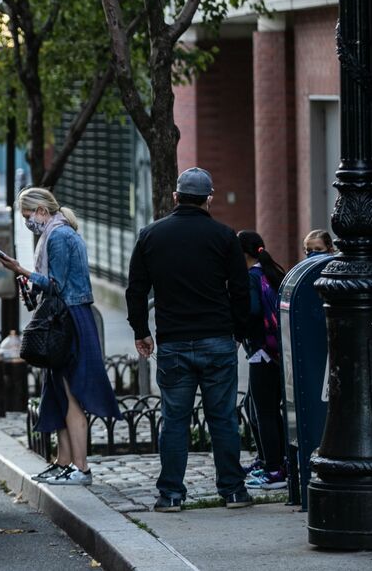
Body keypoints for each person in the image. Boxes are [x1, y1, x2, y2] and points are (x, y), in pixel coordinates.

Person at [125, 167, 252, 512]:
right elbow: (240, 290)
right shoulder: (225, 237)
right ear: (209, 199)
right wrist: (239, 330)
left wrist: (141, 331)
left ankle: (171, 495)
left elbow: (136, 289)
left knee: (175, 419)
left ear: (176, 197)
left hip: (173, 343)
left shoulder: (151, 236)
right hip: (217, 339)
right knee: (223, 417)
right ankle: (234, 490)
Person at [0, 187, 122, 486]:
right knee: (59, 395)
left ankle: (81, 468)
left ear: (42, 210)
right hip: (66, 318)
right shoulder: (55, 235)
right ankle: (64, 463)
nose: (29, 222)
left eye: (29, 216)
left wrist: (21, 269)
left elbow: (57, 285)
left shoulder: (60, 236)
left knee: (71, 395)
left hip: (70, 320)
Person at [237, 230, 288, 490]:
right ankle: (273, 460)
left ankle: (274, 469)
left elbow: (253, 311)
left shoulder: (249, 277)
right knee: (254, 407)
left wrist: (239, 328)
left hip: (261, 353)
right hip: (278, 353)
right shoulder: (272, 273)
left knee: (264, 412)